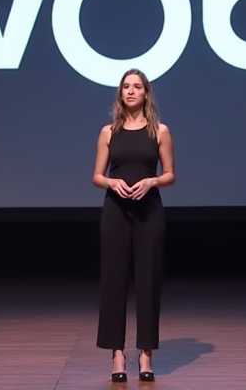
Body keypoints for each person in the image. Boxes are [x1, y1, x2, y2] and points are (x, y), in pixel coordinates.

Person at [92, 68, 175, 383]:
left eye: (136, 86)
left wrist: (152, 181)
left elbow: (170, 173)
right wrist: (111, 184)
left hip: (149, 212)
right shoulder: (108, 132)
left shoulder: (160, 131)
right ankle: (116, 356)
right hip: (116, 211)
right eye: (126, 86)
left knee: (148, 281)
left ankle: (145, 354)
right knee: (113, 281)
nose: (130, 91)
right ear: (120, 93)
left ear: (145, 93)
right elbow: (97, 175)